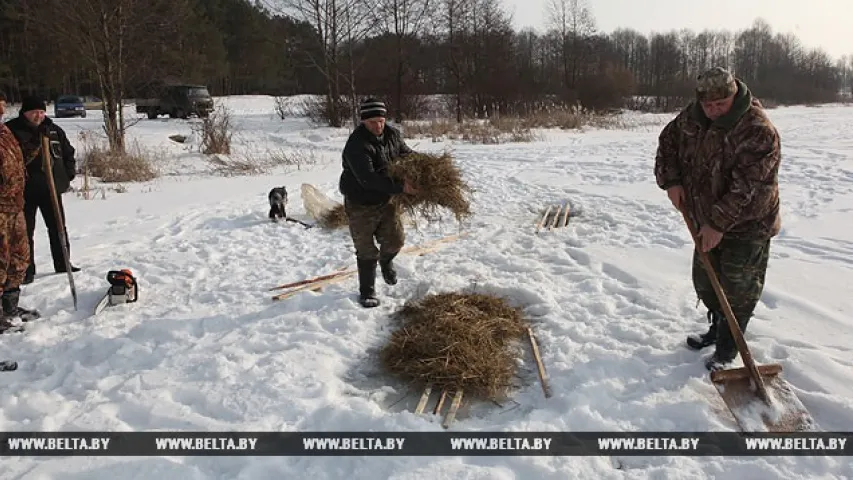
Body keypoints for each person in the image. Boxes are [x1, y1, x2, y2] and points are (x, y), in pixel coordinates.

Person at [654, 67, 782, 371]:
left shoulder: (757, 129)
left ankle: (727, 348)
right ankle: (716, 328)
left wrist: (719, 224)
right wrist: (671, 180)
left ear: (733, 94)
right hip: (704, 217)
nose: (712, 112)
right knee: (707, 282)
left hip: (748, 225)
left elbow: (750, 187)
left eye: (720, 105)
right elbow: (668, 143)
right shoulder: (693, 116)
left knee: (737, 291)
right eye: (707, 105)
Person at [339, 98, 418, 308]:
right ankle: (367, 291)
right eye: (373, 121)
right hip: (361, 203)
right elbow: (368, 179)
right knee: (365, 249)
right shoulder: (356, 145)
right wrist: (402, 187)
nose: (378, 126)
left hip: (386, 198)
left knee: (396, 239)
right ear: (364, 121)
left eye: (381, 120)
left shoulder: (392, 135)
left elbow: (406, 154)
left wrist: (424, 167)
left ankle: (386, 261)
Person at [5, 95, 79, 285]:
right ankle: (27, 270)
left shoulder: (53, 130)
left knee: (58, 228)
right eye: (34, 112)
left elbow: (68, 153)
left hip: (51, 189)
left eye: (41, 111)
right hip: (24, 191)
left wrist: (67, 174)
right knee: (25, 232)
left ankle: (63, 263)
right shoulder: (12, 131)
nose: (38, 116)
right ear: (25, 113)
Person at [0, 91, 39, 332]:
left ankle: (10, 308)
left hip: (16, 206)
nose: (2, 111)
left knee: (20, 258)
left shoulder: (4, 132)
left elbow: (17, 162)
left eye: (2, 106)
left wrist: (33, 144)